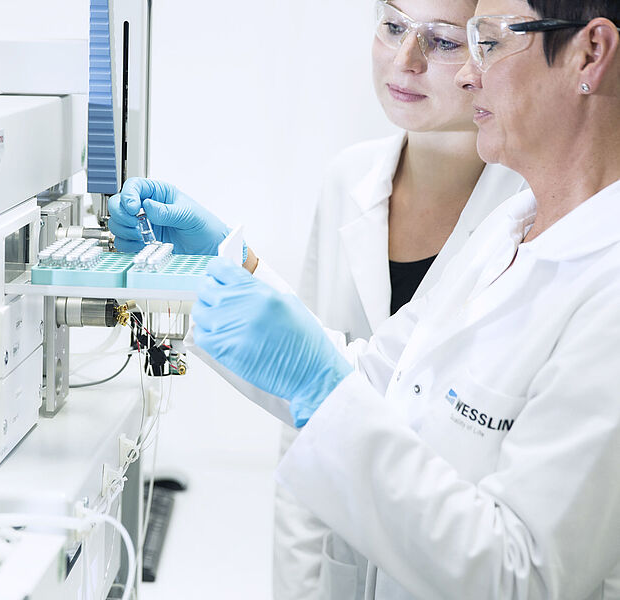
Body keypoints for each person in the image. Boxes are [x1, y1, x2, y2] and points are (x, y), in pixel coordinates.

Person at [112, 0, 620, 596]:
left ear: (591, 52)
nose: (468, 73)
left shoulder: (605, 290)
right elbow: (380, 380)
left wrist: (318, 388)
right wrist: (203, 269)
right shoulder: (512, 228)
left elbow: (523, 575)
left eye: (490, 41)